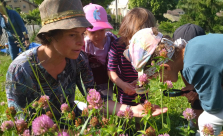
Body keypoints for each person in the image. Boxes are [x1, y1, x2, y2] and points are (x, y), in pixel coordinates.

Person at [5, 0, 167, 130]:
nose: (81, 41)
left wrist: (132, 109)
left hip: (72, 122)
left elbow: (97, 99)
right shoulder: (21, 70)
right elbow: (20, 124)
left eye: (82, 34)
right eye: (72, 34)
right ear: (49, 36)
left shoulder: (79, 60)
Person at [127, 28, 223, 136]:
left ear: (165, 67)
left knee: (206, 120)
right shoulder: (193, 46)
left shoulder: (195, 67)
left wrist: (201, 97)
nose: (159, 81)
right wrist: (201, 92)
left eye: (155, 77)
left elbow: (214, 108)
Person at [107, 7, 157, 106]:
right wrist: (122, 85)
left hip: (142, 87)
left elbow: (153, 69)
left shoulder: (149, 48)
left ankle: (139, 122)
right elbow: (110, 70)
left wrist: (141, 79)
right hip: (123, 87)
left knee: (142, 110)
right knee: (125, 113)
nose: (136, 46)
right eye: (133, 40)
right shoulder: (117, 46)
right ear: (126, 31)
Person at [172, 23, 206, 127]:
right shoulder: (182, 65)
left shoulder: (206, 64)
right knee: (193, 95)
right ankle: (195, 124)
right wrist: (193, 91)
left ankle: (205, 126)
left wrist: (201, 92)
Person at [82, 3, 117, 99]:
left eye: (101, 30)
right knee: (97, 103)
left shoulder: (113, 40)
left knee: (111, 102)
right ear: (85, 30)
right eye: (93, 32)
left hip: (114, 78)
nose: (98, 36)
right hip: (94, 81)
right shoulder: (84, 45)